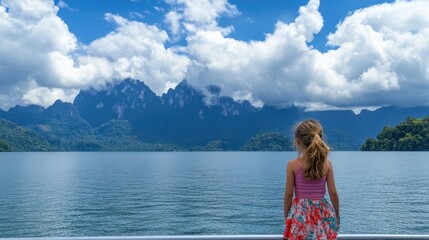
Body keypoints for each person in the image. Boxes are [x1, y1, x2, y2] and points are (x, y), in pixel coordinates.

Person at [283, 119, 340, 240]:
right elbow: (333, 193)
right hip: (322, 211)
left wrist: (286, 215)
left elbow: (288, 194)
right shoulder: (327, 164)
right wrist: (337, 214)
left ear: (298, 141)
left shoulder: (292, 165)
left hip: (300, 212)